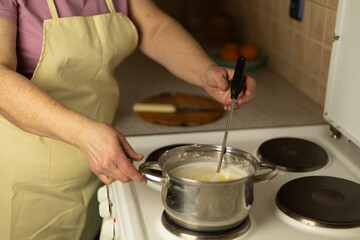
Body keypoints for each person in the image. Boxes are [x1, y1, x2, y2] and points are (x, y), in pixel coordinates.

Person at [0, 0, 256, 239]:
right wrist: (82, 134)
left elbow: (155, 29)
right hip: (28, 177)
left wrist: (205, 71)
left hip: (100, 161)